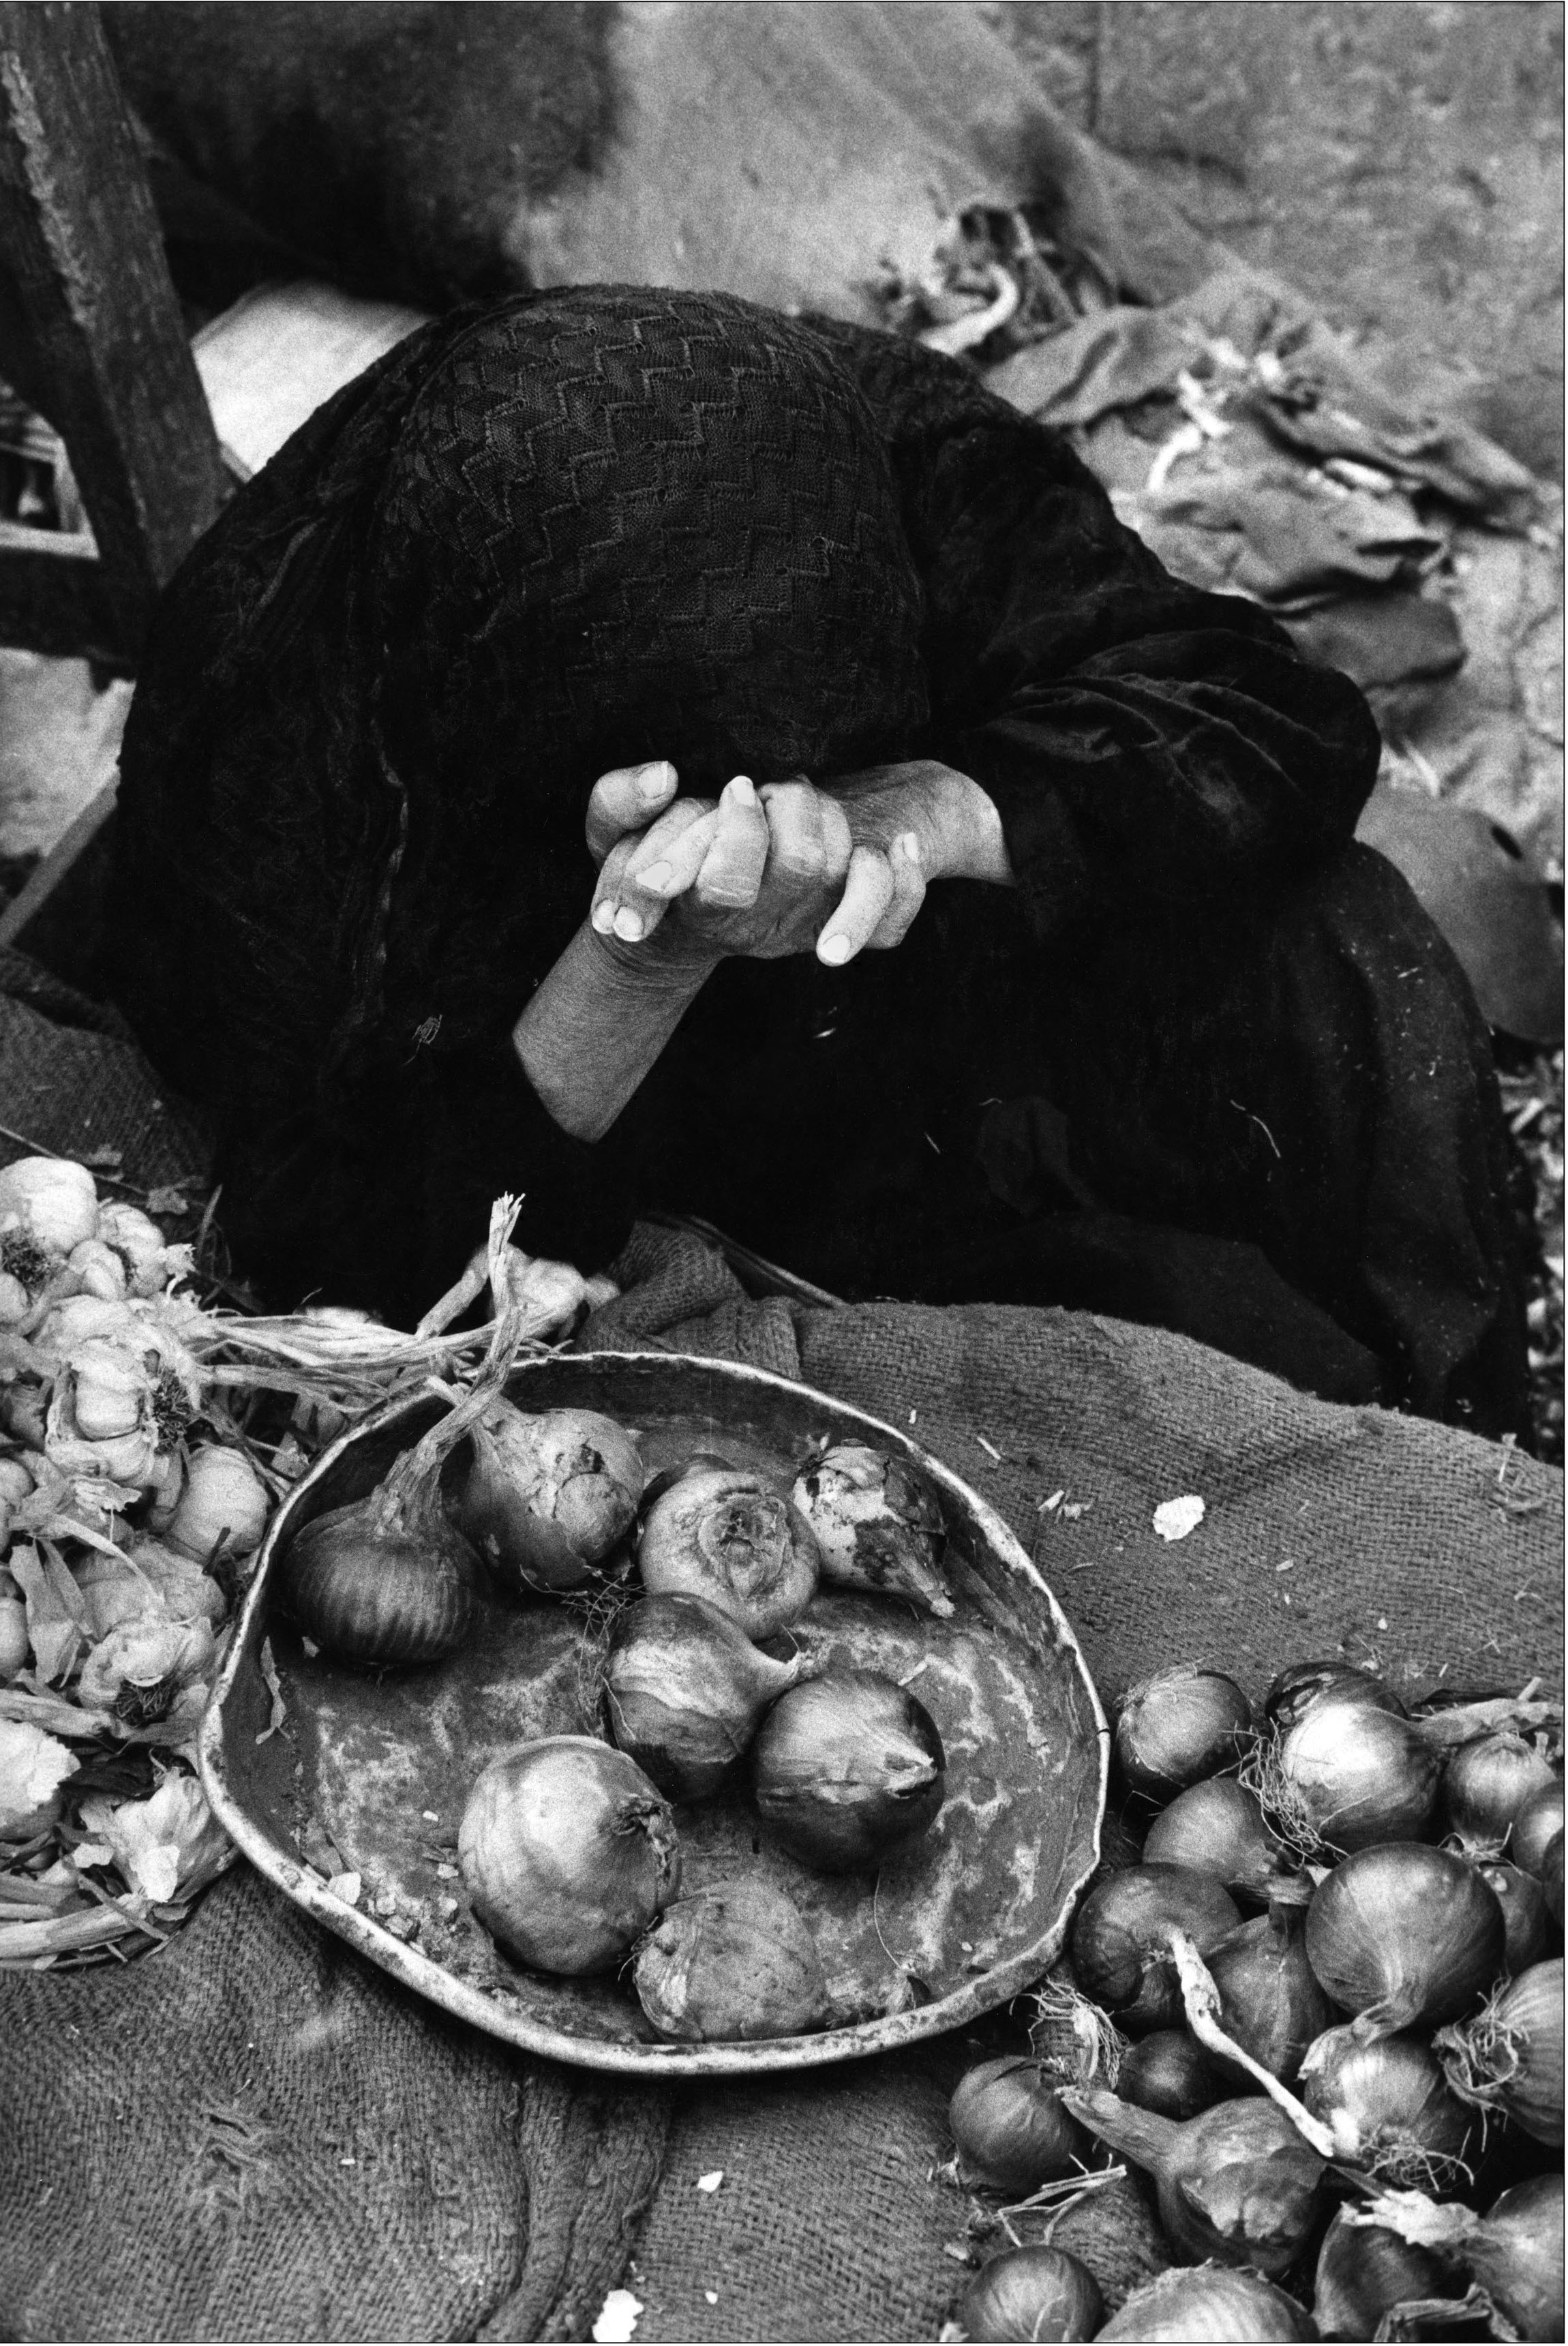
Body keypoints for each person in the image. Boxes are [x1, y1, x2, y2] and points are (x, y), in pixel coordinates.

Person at [103, 286, 1531, 1438]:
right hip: (652, 1144)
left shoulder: (881, 449)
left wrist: (919, 807)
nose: (770, 796)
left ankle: (1467, 1424)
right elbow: (360, 1276)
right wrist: (639, 956)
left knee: (1348, 932)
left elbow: (1268, 707)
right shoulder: (271, 767)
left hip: (921, 981)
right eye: (720, 764)